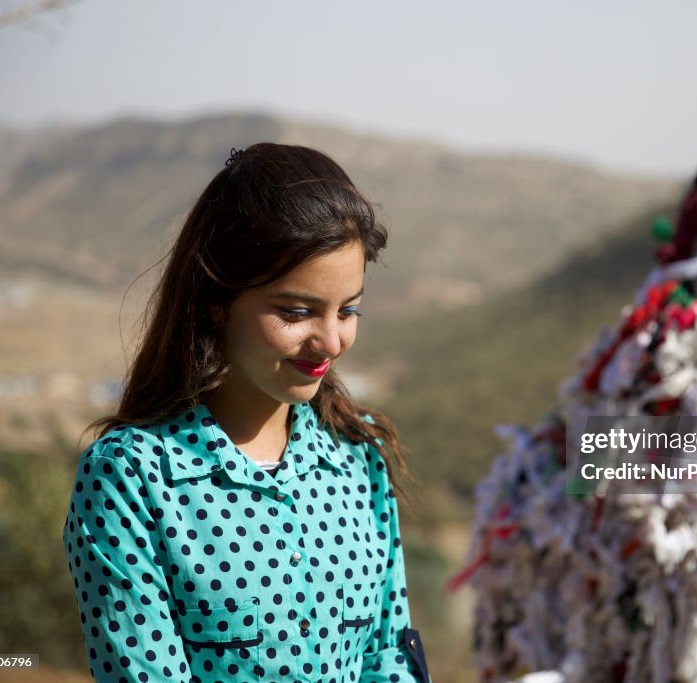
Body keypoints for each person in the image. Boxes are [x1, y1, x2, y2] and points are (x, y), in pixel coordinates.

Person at [62, 144, 431, 683]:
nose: (331, 340)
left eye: (349, 310)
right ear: (216, 302)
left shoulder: (359, 453)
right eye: (296, 311)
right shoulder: (133, 478)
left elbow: (390, 659)